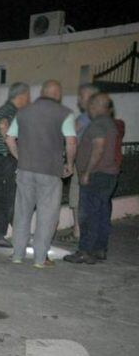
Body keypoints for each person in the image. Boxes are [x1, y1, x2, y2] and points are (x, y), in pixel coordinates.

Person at [4, 80, 77, 268]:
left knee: (22, 213)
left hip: (25, 169)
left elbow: (10, 138)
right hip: (50, 171)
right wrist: (69, 163)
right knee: (47, 215)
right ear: (58, 95)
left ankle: (17, 255)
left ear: (42, 92)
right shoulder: (64, 114)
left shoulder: (23, 112)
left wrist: (20, 157)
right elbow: (71, 142)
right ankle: (39, 259)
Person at [64, 93, 120, 265]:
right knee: (102, 213)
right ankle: (99, 249)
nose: (88, 108)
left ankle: (85, 251)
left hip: (96, 175)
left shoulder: (97, 125)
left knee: (88, 215)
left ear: (96, 106)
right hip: (109, 174)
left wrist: (87, 172)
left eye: (91, 105)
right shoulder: (110, 124)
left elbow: (98, 148)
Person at [0, 82, 30, 247]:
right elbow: (4, 127)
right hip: (6, 160)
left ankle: (0, 234)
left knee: (3, 199)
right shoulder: (10, 111)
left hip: (1, 160)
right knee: (8, 199)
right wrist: (17, 154)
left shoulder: (6, 109)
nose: (29, 100)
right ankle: (4, 235)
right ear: (21, 96)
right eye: (27, 96)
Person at [65, 84, 100, 243]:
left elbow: (71, 138)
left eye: (82, 96)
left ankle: (78, 232)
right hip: (96, 165)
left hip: (83, 163)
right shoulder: (102, 116)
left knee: (77, 197)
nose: (79, 99)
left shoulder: (84, 118)